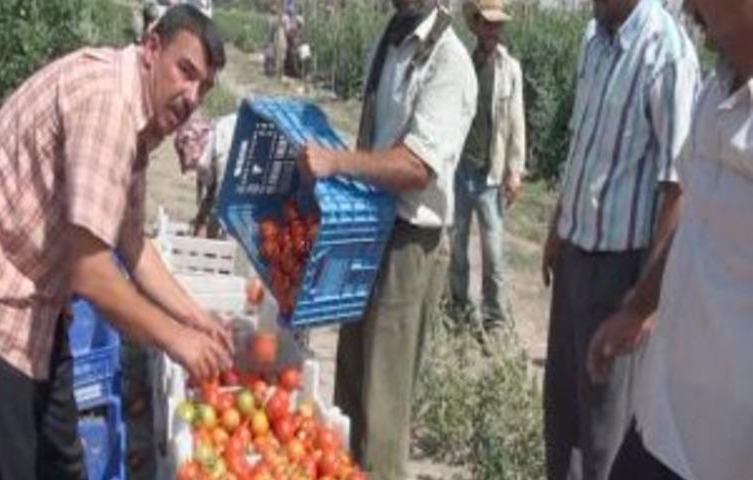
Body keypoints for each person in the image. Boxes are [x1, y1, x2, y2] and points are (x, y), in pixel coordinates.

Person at [0, 6, 232, 480]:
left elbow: (131, 243)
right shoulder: (108, 105)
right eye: (184, 71)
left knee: (63, 458)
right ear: (152, 48)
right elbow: (93, 275)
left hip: (39, 293)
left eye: (203, 87)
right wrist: (175, 338)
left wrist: (195, 317)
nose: (191, 95)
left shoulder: (139, 118)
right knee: (14, 464)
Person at [298, 1, 477, 478]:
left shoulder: (449, 61)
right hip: (368, 228)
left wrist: (338, 163)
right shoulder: (390, 38)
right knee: (351, 386)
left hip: (408, 245)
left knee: (384, 404)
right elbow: (375, 137)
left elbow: (417, 166)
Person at [586, 1, 753, 478]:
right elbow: (698, 213)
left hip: (724, 455)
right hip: (658, 426)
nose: (687, 5)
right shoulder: (716, 88)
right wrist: (639, 306)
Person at [540, 0, 700, 478]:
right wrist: (555, 229)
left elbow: (677, 185)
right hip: (575, 255)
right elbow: (582, 148)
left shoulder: (665, 52)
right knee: (562, 415)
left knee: (604, 432)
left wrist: (645, 301)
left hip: (620, 271)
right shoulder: (595, 41)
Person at [447, 0, 525, 333]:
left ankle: (493, 318)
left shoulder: (510, 68)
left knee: (493, 255)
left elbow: (517, 123)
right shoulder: (459, 62)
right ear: (475, 25)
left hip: (490, 176)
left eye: (497, 24)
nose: (493, 30)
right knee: (457, 249)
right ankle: (461, 310)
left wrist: (514, 170)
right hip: (460, 171)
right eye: (487, 23)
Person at [174, 112, 238, 238]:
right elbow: (210, 190)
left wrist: (208, 232)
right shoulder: (208, 147)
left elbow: (221, 195)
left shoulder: (222, 144)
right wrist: (201, 219)